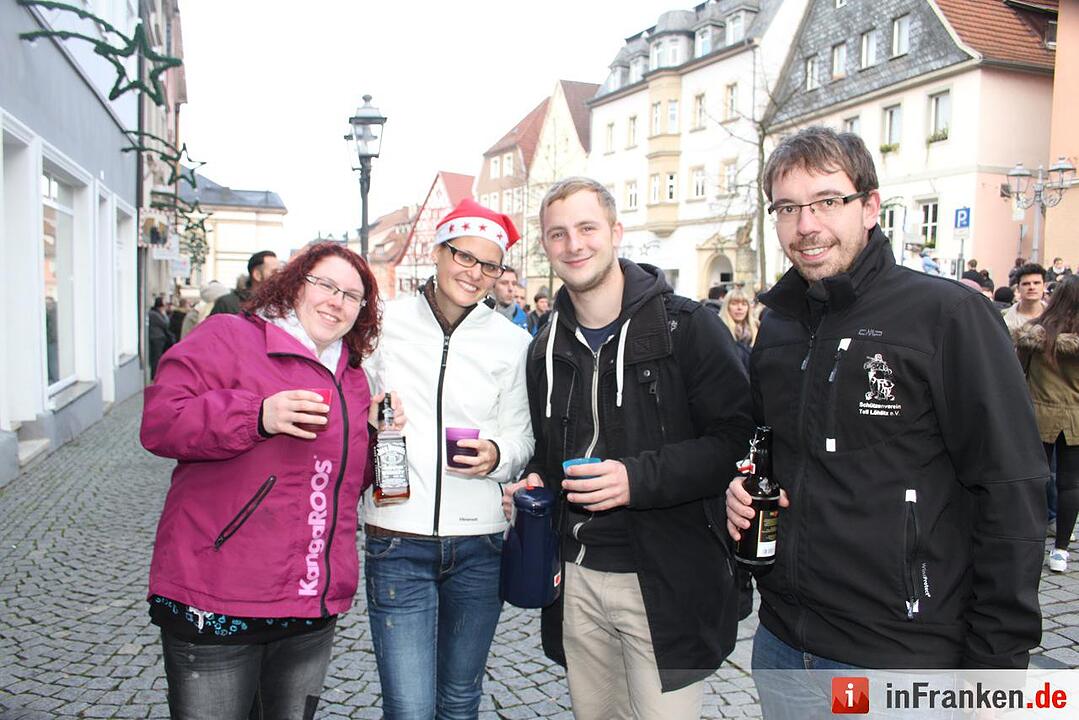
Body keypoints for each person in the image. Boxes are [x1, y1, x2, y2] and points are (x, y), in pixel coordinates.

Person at [725, 127, 1047, 718]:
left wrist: (994, 671)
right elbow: (767, 451)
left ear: (869, 207)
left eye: (828, 201)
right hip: (782, 644)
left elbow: (1012, 490)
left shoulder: (947, 315)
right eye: (788, 208)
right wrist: (742, 488)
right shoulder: (779, 326)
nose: (807, 225)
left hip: (898, 654)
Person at [506, 177, 752, 719]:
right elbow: (550, 457)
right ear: (544, 245)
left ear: (616, 232)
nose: (574, 245)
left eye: (587, 228)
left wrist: (636, 479)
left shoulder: (688, 327)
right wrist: (535, 487)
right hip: (577, 577)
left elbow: (737, 442)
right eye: (558, 234)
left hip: (666, 578)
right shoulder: (545, 344)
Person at [141, 242, 387, 719]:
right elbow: (160, 420)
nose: (337, 301)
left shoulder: (353, 376)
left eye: (352, 296)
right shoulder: (229, 336)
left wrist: (381, 440)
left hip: (307, 603)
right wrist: (257, 414)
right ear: (295, 285)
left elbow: (345, 482)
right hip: (216, 596)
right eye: (326, 285)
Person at [362, 198, 534, 720]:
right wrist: (365, 415)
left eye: (489, 264)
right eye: (463, 256)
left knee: (460, 701)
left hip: (479, 543)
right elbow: (348, 400)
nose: (474, 272)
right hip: (397, 535)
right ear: (437, 252)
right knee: (409, 707)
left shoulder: (512, 341)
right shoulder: (382, 324)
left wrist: (497, 454)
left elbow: (522, 439)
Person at [1015, 275, 1079, 572]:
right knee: (1070, 485)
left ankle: (1030, 542)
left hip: (1037, 415)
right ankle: (1061, 550)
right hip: (1076, 417)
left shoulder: (1036, 334)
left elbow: (1019, 373)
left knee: (1035, 482)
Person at [210, 250, 280, 316]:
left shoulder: (279, 306)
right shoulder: (228, 304)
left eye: (280, 272)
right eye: (274, 272)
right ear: (257, 275)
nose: (279, 276)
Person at [719, 285, 758, 371]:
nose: (739, 308)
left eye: (744, 304)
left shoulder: (757, 330)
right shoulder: (719, 331)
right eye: (734, 304)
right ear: (727, 307)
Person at [1004, 262, 1047, 332]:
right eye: (1026, 284)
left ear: (1044, 286)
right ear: (1018, 288)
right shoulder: (1004, 320)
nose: (1032, 287)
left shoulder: (1056, 317)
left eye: (1036, 283)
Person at [492, 265, 529, 331]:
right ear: (492, 286)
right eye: (504, 283)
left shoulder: (523, 318)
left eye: (514, 283)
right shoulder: (480, 315)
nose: (510, 288)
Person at [147, 296, 174, 379]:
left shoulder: (153, 313)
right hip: (157, 338)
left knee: (156, 357)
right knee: (156, 358)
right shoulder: (155, 314)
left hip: (157, 337)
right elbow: (165, 323)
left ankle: (155, 374)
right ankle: (155, 375)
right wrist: (164, 314)